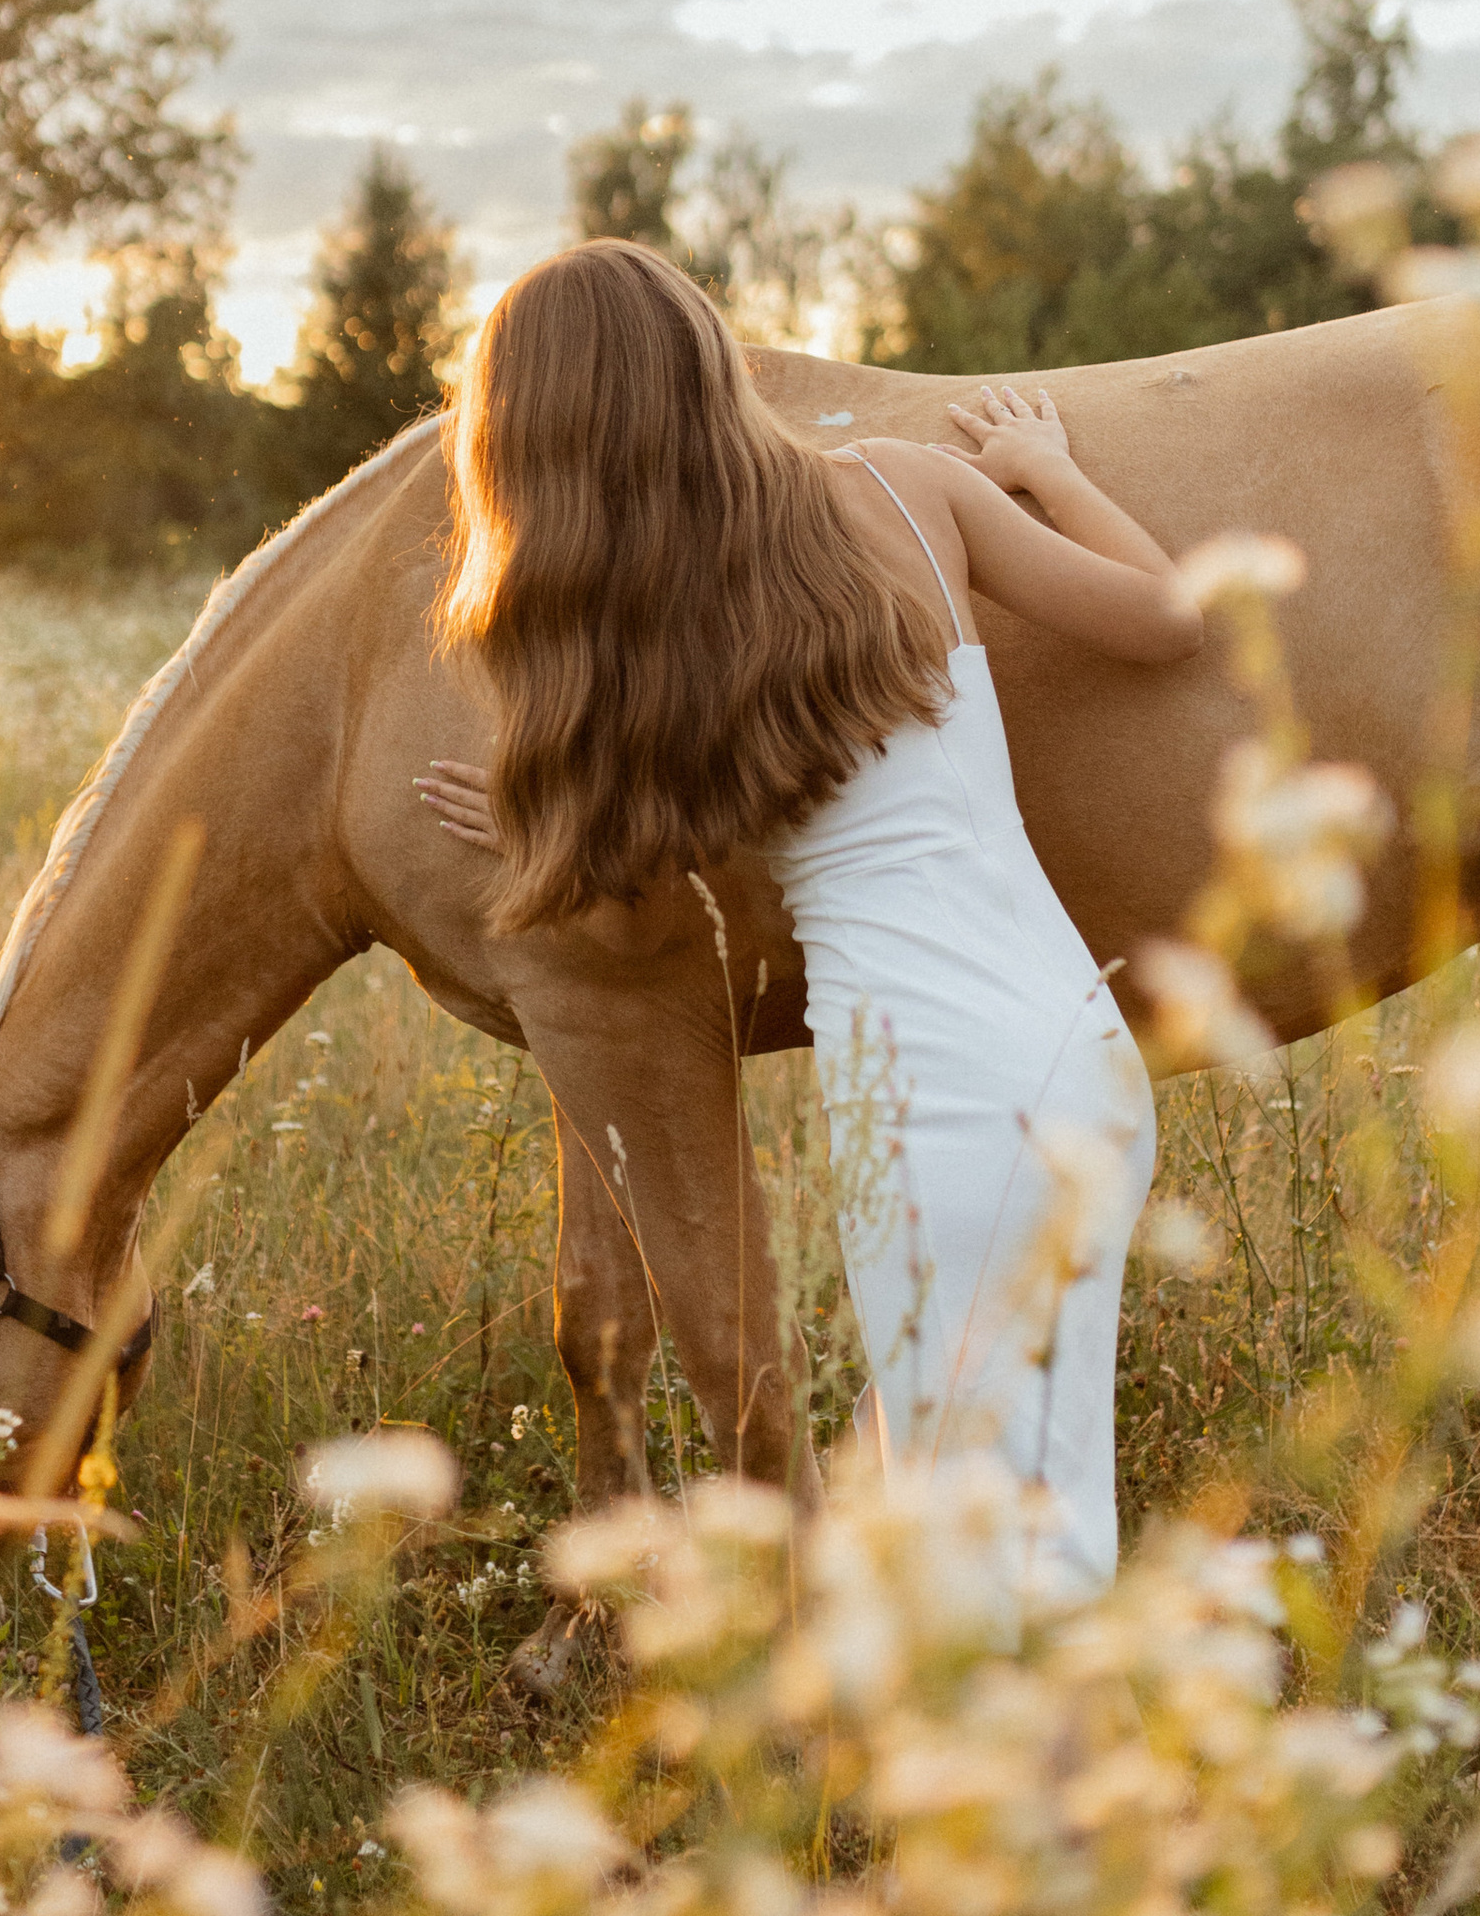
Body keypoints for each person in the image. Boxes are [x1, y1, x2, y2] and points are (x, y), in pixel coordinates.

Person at [413, 238, 1200, 1588]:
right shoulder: (909, 488)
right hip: (1077, 1052)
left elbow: (637, 907)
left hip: (932, 1099)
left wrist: (540, 828)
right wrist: (1053, 471)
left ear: (527, 446)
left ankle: (1046, 1793)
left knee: (995, 1569)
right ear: (711, 364)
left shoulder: (640, 644)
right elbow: (1173, 617)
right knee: (1016, 1517)